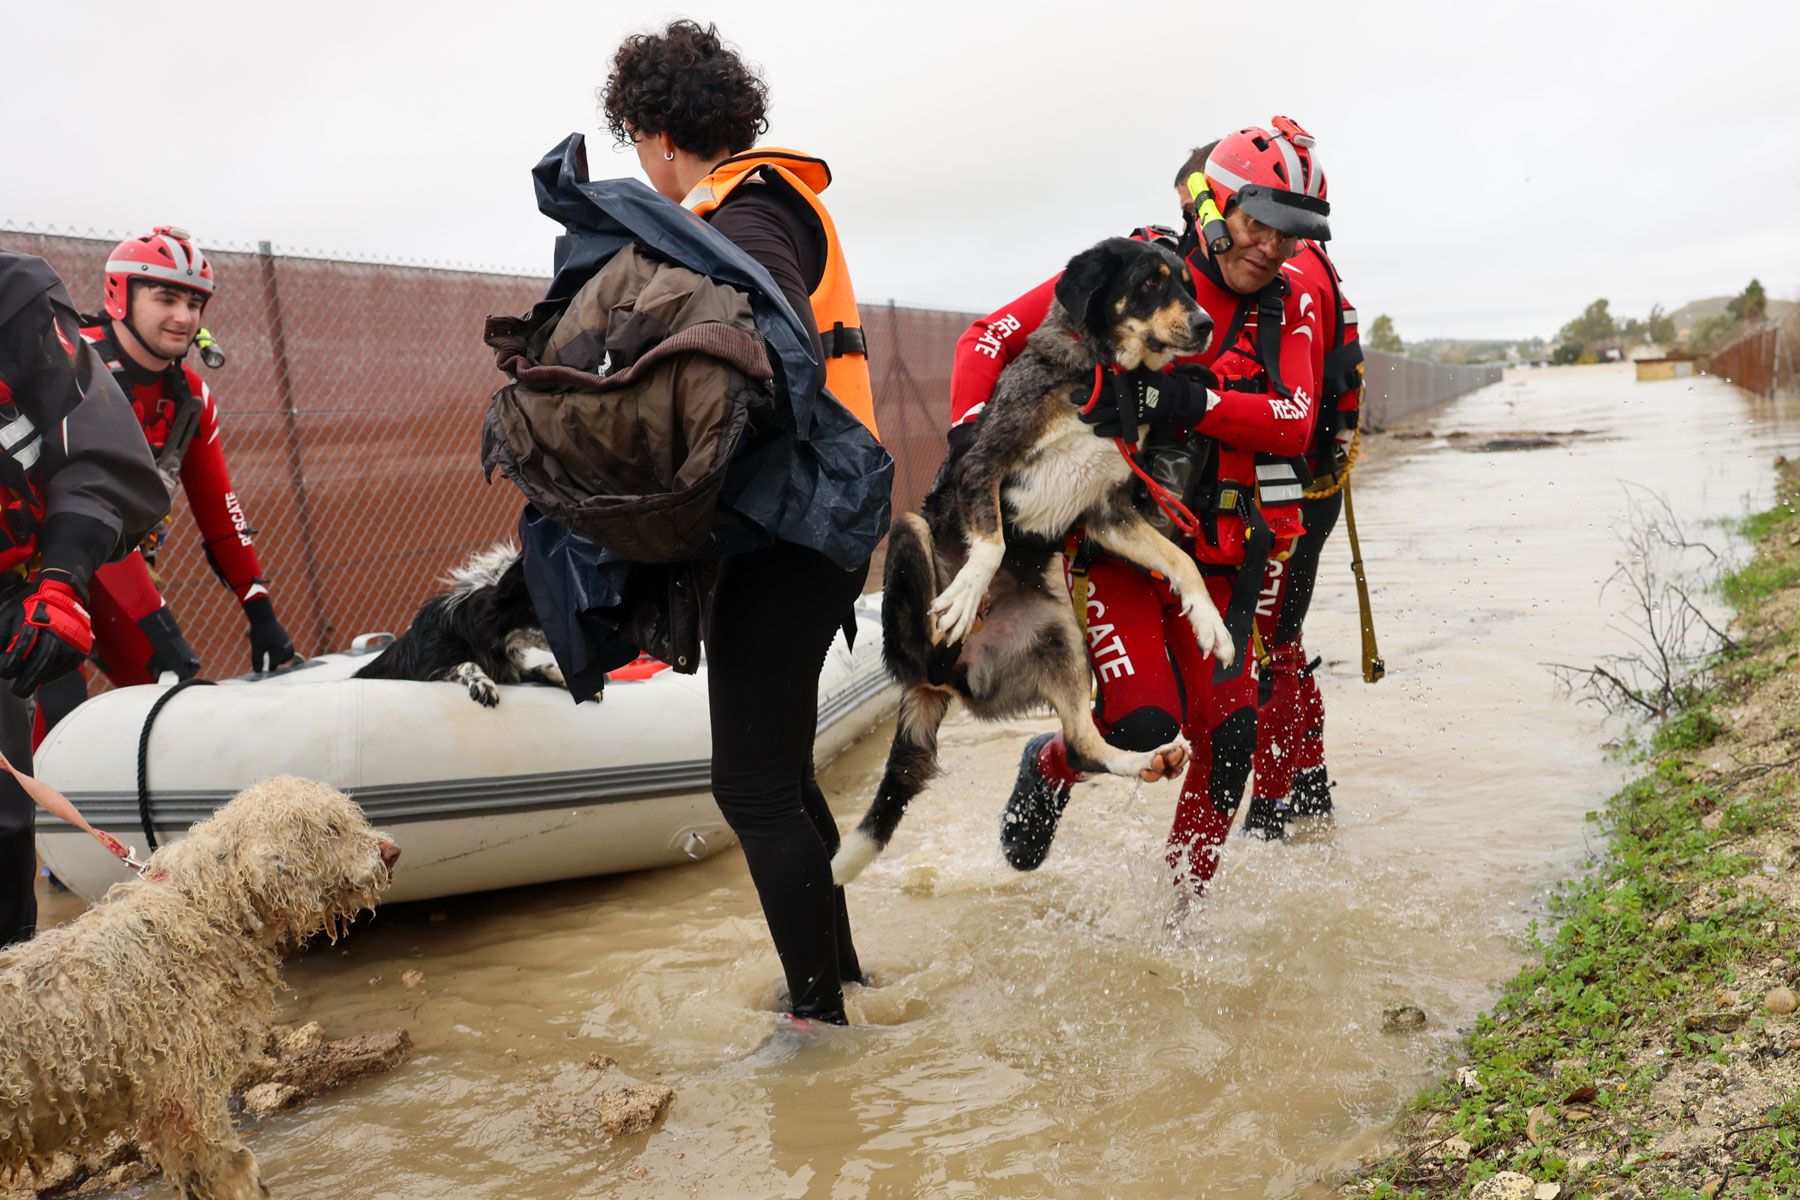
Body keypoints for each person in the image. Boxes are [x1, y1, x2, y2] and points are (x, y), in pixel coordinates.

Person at [950, 119, 1333, 892]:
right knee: (1141, 727)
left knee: (1230, 738)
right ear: (1214, 208)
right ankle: (1051, 764)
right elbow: (986, 339)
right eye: (1257, 222)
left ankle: (1182, 920)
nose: (1270, 246)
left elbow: (1293, 420)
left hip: (1221, 556)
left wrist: (1177, 396)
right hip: (1115, 548)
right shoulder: (1134, 269)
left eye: (1289, 235)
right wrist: (970, 447)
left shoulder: (1288, 304)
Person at [601, 19, 886, 1026]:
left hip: (796, 531)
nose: (641, 164)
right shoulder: (771, 201)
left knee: (749, 788)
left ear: (661, 135)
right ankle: (840, 976)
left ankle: (816, 1025)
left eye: (636, 143)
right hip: (817, 525)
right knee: (778, 771)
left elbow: (760, 349)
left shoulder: (749, 214)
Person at [35, 226, 295, 738]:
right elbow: (84, 500)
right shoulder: (70, 358)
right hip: (33, 561)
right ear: (120, 296)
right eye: (167, 297)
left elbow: (220, 508)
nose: (184, 316)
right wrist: (154, 620)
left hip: (107, 561)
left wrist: (259, 607)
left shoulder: (190, 395)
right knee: (53, 694)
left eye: (195, 302)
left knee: (163, 690)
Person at [0, 251, 168, 945]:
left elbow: (98, 453)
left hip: (22, 583)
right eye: (169, 298)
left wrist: (63, 581)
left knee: (5, 818)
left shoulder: (15, 301)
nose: (184, 318)